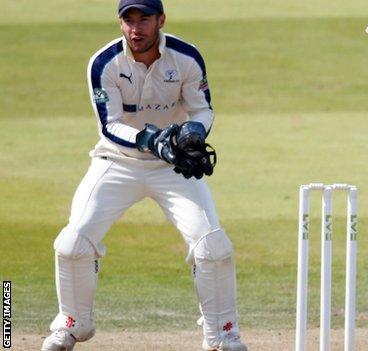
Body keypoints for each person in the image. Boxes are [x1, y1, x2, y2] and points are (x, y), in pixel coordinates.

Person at [41, 1, 246, 350]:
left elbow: (202, 108)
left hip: (172, 166)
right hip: (117, 161)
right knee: (73, 242)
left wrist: (193, 132)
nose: (136, 29)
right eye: (128, 20)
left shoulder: (186, 57)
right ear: (120, 23)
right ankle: (72, 325)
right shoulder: (104, 63)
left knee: (212, 247)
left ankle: (222, 334)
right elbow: (110, 124)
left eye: (144, 19)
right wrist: (152, 140)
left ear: (161, 20)